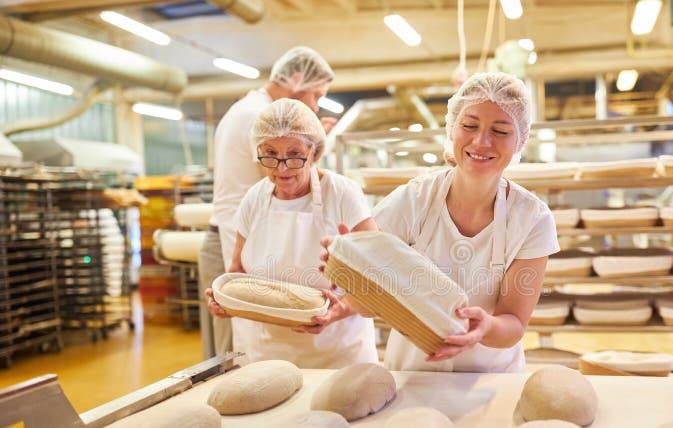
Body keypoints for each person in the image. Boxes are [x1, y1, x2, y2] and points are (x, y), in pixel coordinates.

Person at [323, 72, 558, 372]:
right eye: (469, 126)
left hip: (490, 381)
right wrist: (348, 272)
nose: (481, 141)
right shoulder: (413, 200)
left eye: (500, 131)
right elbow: (368, 305)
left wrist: (486, 328)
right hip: (414, 374)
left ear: (520, 140)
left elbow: (513, 324)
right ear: (452, 129)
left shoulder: (532, 220)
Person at [205, 98, 378, 368]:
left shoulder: (342, 194)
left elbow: (379, 277)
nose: (281, 168)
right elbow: (237, 270)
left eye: (294, 155)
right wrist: (226, 301)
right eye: (270, 154)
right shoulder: (254, 199)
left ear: (313, 152)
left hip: (337, 355)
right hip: (267, 355)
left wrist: (338, 311)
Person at [198, 46, 336, 359]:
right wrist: (312, 147)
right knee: (238, 344)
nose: (315, 106)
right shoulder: (261, 116)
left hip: (233, 230)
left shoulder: (249, 106)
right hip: (235, 235)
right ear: (296, 79)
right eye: (316, 95)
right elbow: (280, 176)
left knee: (237, 341)